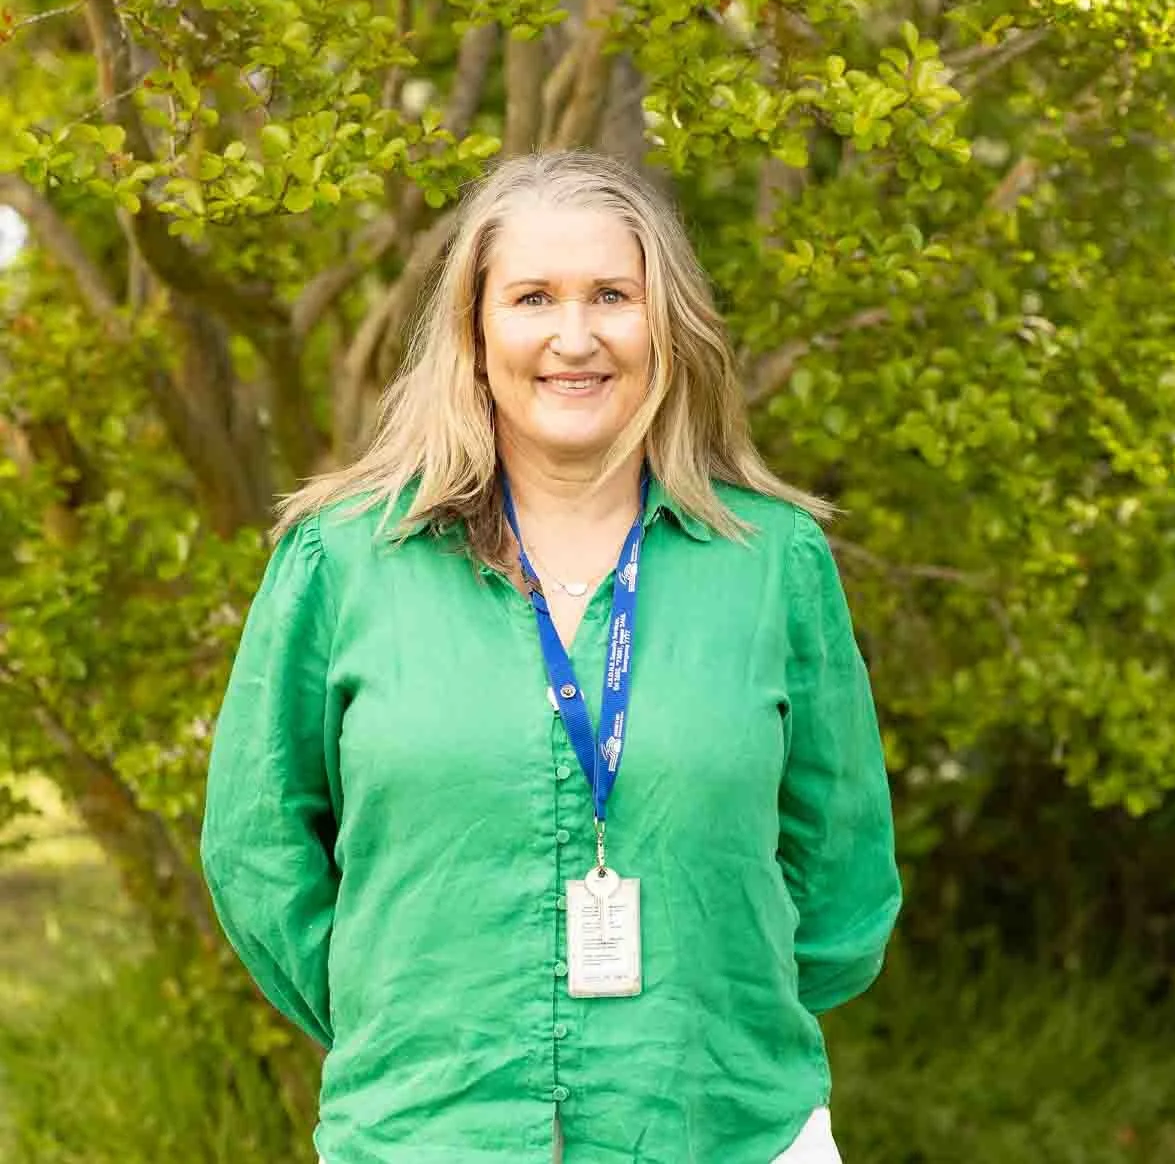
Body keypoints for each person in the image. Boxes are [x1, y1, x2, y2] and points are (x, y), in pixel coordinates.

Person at [200, 149, 902, 1164]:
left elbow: (843, 881)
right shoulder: (343, 561)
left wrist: (712, 1016)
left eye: (611, 295)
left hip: (722, 1130)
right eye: (532, 297)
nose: (573, 338)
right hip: (426, 1135)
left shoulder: (772, 563)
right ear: (475, 332)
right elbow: (257, 854)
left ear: (664, 323)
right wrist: (401, 1014)